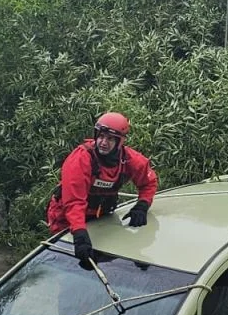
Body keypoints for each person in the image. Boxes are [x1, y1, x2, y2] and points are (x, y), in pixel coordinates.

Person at [46, 112, 159, 264]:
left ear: (120, 142)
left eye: (110, 138)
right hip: (67, 218)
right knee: (69, 263)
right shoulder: (81, 159)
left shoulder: (129, 159)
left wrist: (142, 205)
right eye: (101, 136)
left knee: (107, 262)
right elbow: (74, 202)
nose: (103, 142)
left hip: (101, 217)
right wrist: (79, 233)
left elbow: (148, 182)